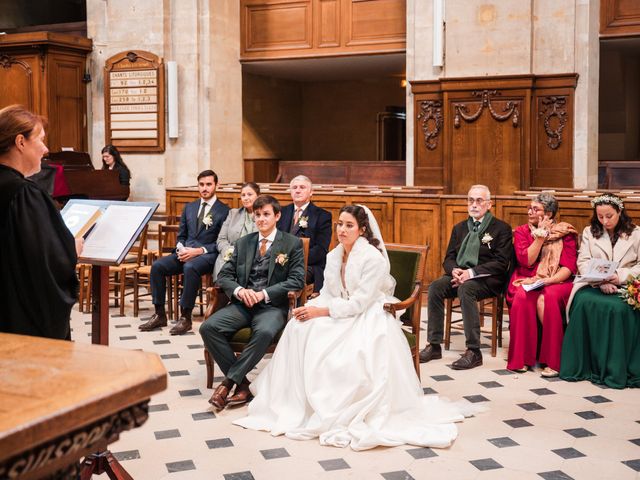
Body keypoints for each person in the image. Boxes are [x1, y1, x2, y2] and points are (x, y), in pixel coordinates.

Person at [233, 205, 478, 451]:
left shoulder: (373, 258)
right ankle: (295, 403)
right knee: (298, 327)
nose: (342, 230)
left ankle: (335, 405)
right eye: (340, 224)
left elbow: (360, 303)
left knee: (343, 346)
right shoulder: (333, 255)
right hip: (336, 307)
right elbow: (329, 292)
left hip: (367, 313)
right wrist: (310, 308)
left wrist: (322, 311)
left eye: (349, 225)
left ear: (362, 230)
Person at [200, 195, 306, 409]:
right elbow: (224, 276)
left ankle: (228, 382)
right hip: (242, 304)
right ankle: (244, 385)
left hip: (272, 306)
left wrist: (264, 293)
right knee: (208, 328)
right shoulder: (243, 243)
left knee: (265, 332)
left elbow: (297, 280)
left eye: (266, 214)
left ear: (277, 216)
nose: (261, 219)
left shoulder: (291, 243)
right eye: (257, 215)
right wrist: (240, 291)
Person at [0, 104, 82, 340]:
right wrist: (72, 250)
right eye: (41, 140)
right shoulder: (24, 194)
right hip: (20, 326)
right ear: (20, 142)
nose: (45, 149)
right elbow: (44, 262)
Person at [420, 185, 513, 370]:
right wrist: (454, 270)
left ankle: (474, 351)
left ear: (489, 204)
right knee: (435, 287)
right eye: (471, 200)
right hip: (460, 275)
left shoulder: (501, 228)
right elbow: (449, 257)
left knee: (466, 288)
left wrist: (470, 274)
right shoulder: (460, 228)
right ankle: (434, 345)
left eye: (479, 200)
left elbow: (501, 263)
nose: (474, 205)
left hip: (488, 279)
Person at [560, 194, 640, 388]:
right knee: (584, 303)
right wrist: (601, 281)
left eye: (609, 216)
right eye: (600, 217)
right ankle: (584, 365)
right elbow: (583, 261)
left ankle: (617, 367)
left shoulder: (637, 233)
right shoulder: (589, 232)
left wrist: (619, 276)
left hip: (626, 284)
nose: (604, 221)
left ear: (620, 212)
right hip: (592, 284)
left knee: (619, 309)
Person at [140, 170, 229, 335]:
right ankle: (160, 314)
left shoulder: (224, 211)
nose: (205, 188)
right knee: (158, 266)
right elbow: (181, 235)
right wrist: (181, 249)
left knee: (190, 268)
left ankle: (185, 317)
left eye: (209, 184)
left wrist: (198, 251)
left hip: (207, 255)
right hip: (185, 252)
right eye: (201, 184)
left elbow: (221, 242)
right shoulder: (190, 207)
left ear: (217, 185)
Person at [506, 193, 577, 377]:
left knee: (548, 298)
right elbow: (526, 262)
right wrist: (539, 237)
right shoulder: (522, 231)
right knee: (522, 297)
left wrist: (548, 280)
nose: (530, 211)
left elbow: (569, 267)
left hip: (557, 279)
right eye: (529, 208)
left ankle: (554, 360)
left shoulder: (565, 232)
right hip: (528, 276)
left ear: (549, 214)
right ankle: (521, 359)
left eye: (535, 209)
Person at [277, 175, 331, 292]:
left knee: (285, 276)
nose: (297, 190)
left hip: (308, 265)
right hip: (279, 261)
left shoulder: (322, 216)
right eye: (294, 187)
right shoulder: (281, 212)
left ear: (311, 192)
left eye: (302, 187)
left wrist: (294, 260)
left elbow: (321, 250)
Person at [212, 182, 260, 279]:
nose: (246, 198)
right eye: (243, 195)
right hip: (229, 258)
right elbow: (221, 239)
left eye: (250, 194)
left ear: (258, 196)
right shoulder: (233, 213)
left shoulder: (263, 215)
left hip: (252, 260)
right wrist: (228, 251)